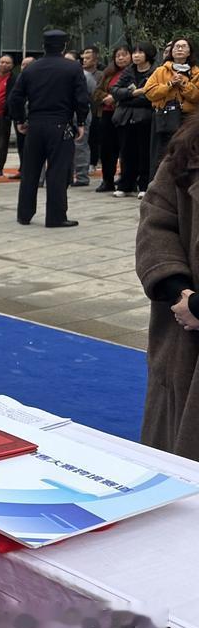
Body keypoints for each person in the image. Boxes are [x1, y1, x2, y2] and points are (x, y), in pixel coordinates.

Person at [136, 112, 199, 462]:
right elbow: (156, 223)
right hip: (184, 333)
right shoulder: (188, 150)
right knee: (175, 467)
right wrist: (179, 292)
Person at [8, 29, 89, 227]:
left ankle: (24, 214)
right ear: (64, 46)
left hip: (35, 124)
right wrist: (80, 123)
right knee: (58, 172)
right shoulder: (72, 68)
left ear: (43, 46)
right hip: (60, 124)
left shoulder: (31, 69)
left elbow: (15, 98)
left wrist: (20, 119)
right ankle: (56, 216)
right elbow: (81, 98)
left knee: (30, 171)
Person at [145, 37, 199, 179]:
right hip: (164, 117)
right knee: (159, 152)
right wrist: (169, 85)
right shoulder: (160, 71)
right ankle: (156, 185)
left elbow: (196, 96)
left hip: (187, 118)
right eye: (176, 47)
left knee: (185, 151)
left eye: (183, 47)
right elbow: (149, 92)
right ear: (171, 52)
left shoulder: (196, 72)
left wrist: (183, 83)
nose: (179, 49)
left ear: (189, 52)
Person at [112, 42, 158, 197]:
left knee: (144, 152)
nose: (136, 55)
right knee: (126, 151)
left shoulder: (155, 72)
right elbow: (115, 91)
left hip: (145, 118)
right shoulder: (128, 71)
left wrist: (127, 98)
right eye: (134, 52)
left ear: (148, 54)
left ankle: (144, 185)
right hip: (125, 118)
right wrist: (132, 94)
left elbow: (151, 96)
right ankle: (125, 184)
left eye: (140, 52)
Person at [92, 45, 131, 192]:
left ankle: (127, 180)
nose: (120, 58)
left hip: (125, 114)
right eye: (117, 56)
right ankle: (107, 180)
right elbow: (96, 92)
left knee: (126, 149)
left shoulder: (134, 72)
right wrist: (106, 98)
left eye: (124, 55)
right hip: (107, 114)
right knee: (107, 150)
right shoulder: (108, 73)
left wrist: (116, 97)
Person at [78, 46, 103, 184]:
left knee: (92, 140)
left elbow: (97, 94)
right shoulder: (78, 73)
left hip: (94, 111)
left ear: (95, 60)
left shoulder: (100, 74)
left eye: (88, 58)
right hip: (83, 113)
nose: (84, 61)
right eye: (83, 58)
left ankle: (91, 163)